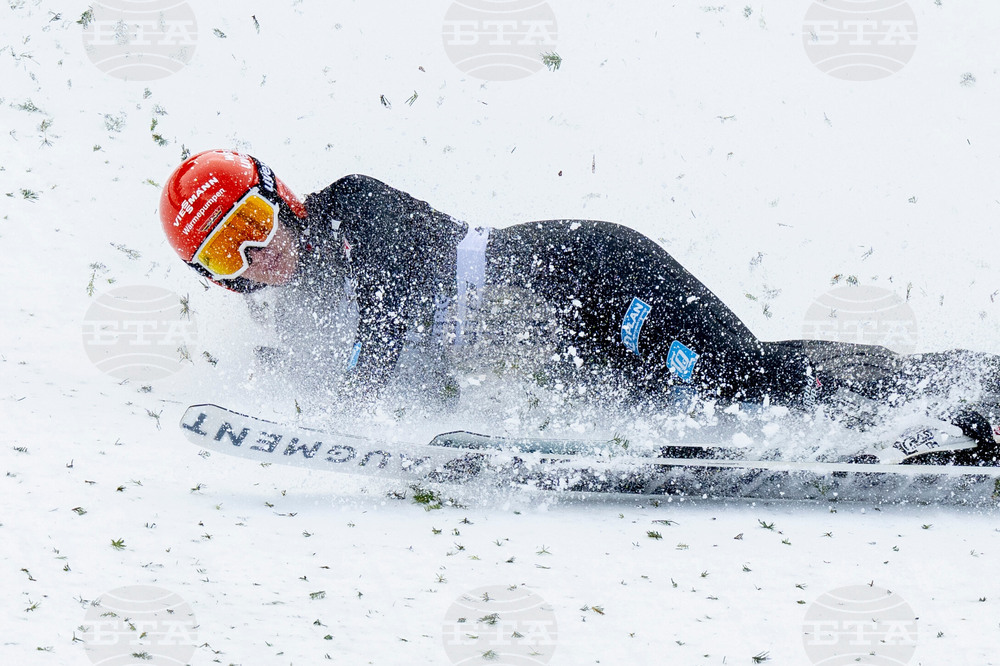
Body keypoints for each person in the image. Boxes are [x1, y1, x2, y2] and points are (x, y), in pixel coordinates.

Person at [159, 149, 1000, 462]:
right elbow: (404, 377)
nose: (261, 255)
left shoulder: (356, 210)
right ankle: (921, 425)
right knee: (725, 398)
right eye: (232, 251)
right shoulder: (300, 312)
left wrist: (336, 417)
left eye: (258, 223)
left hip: (592, 275)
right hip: (573, 349)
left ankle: (969, 388)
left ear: (284, 195)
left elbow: (388, 311)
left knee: (741, 381)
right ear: (218, 279)